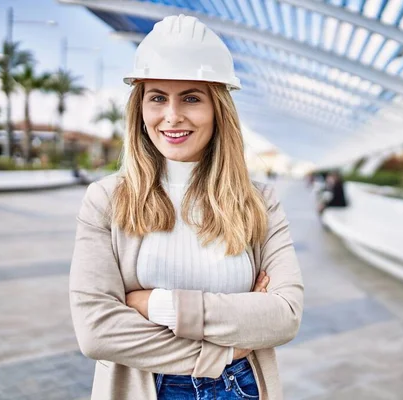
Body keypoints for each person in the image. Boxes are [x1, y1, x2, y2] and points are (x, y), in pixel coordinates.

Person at [70, 15, 303, 400]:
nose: (172, 116)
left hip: (240, 388)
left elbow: (285, 316)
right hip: (147, 388)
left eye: (191, 98)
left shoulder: (259, 202)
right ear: (140, 109)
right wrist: (225, 348)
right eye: (157, 97)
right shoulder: (106, 200)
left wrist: (156, 304)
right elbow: (97, 331)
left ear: (218, 109)